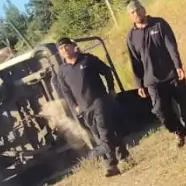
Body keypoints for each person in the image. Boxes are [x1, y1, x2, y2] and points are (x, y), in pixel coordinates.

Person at [125, 0, 186, 148]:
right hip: (151, 80)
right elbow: (135, 62)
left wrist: (178, 66)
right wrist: (139, 84)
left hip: (172, 74)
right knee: (160, 111)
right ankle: (178, 131)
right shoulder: (131, 36)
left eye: (138, 10)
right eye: (132, 12)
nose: (136, 14)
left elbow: (171, 46)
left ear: (144, 9)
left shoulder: (159, 24)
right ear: (130, 16)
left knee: (185, 106)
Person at [54, 37, 130, 177]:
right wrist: (74, 106)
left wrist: (111, 89)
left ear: (73, 46)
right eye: (61, 49)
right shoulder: (62, 71)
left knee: (104, 131)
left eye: (66, 46)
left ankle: (110, 165)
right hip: (83, 107)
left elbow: (106, 71)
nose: (65, 50)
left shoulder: (87, 60)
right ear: (59, 53)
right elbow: (65, 91)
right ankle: (123, 155)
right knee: (100, 134)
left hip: (99, 101)